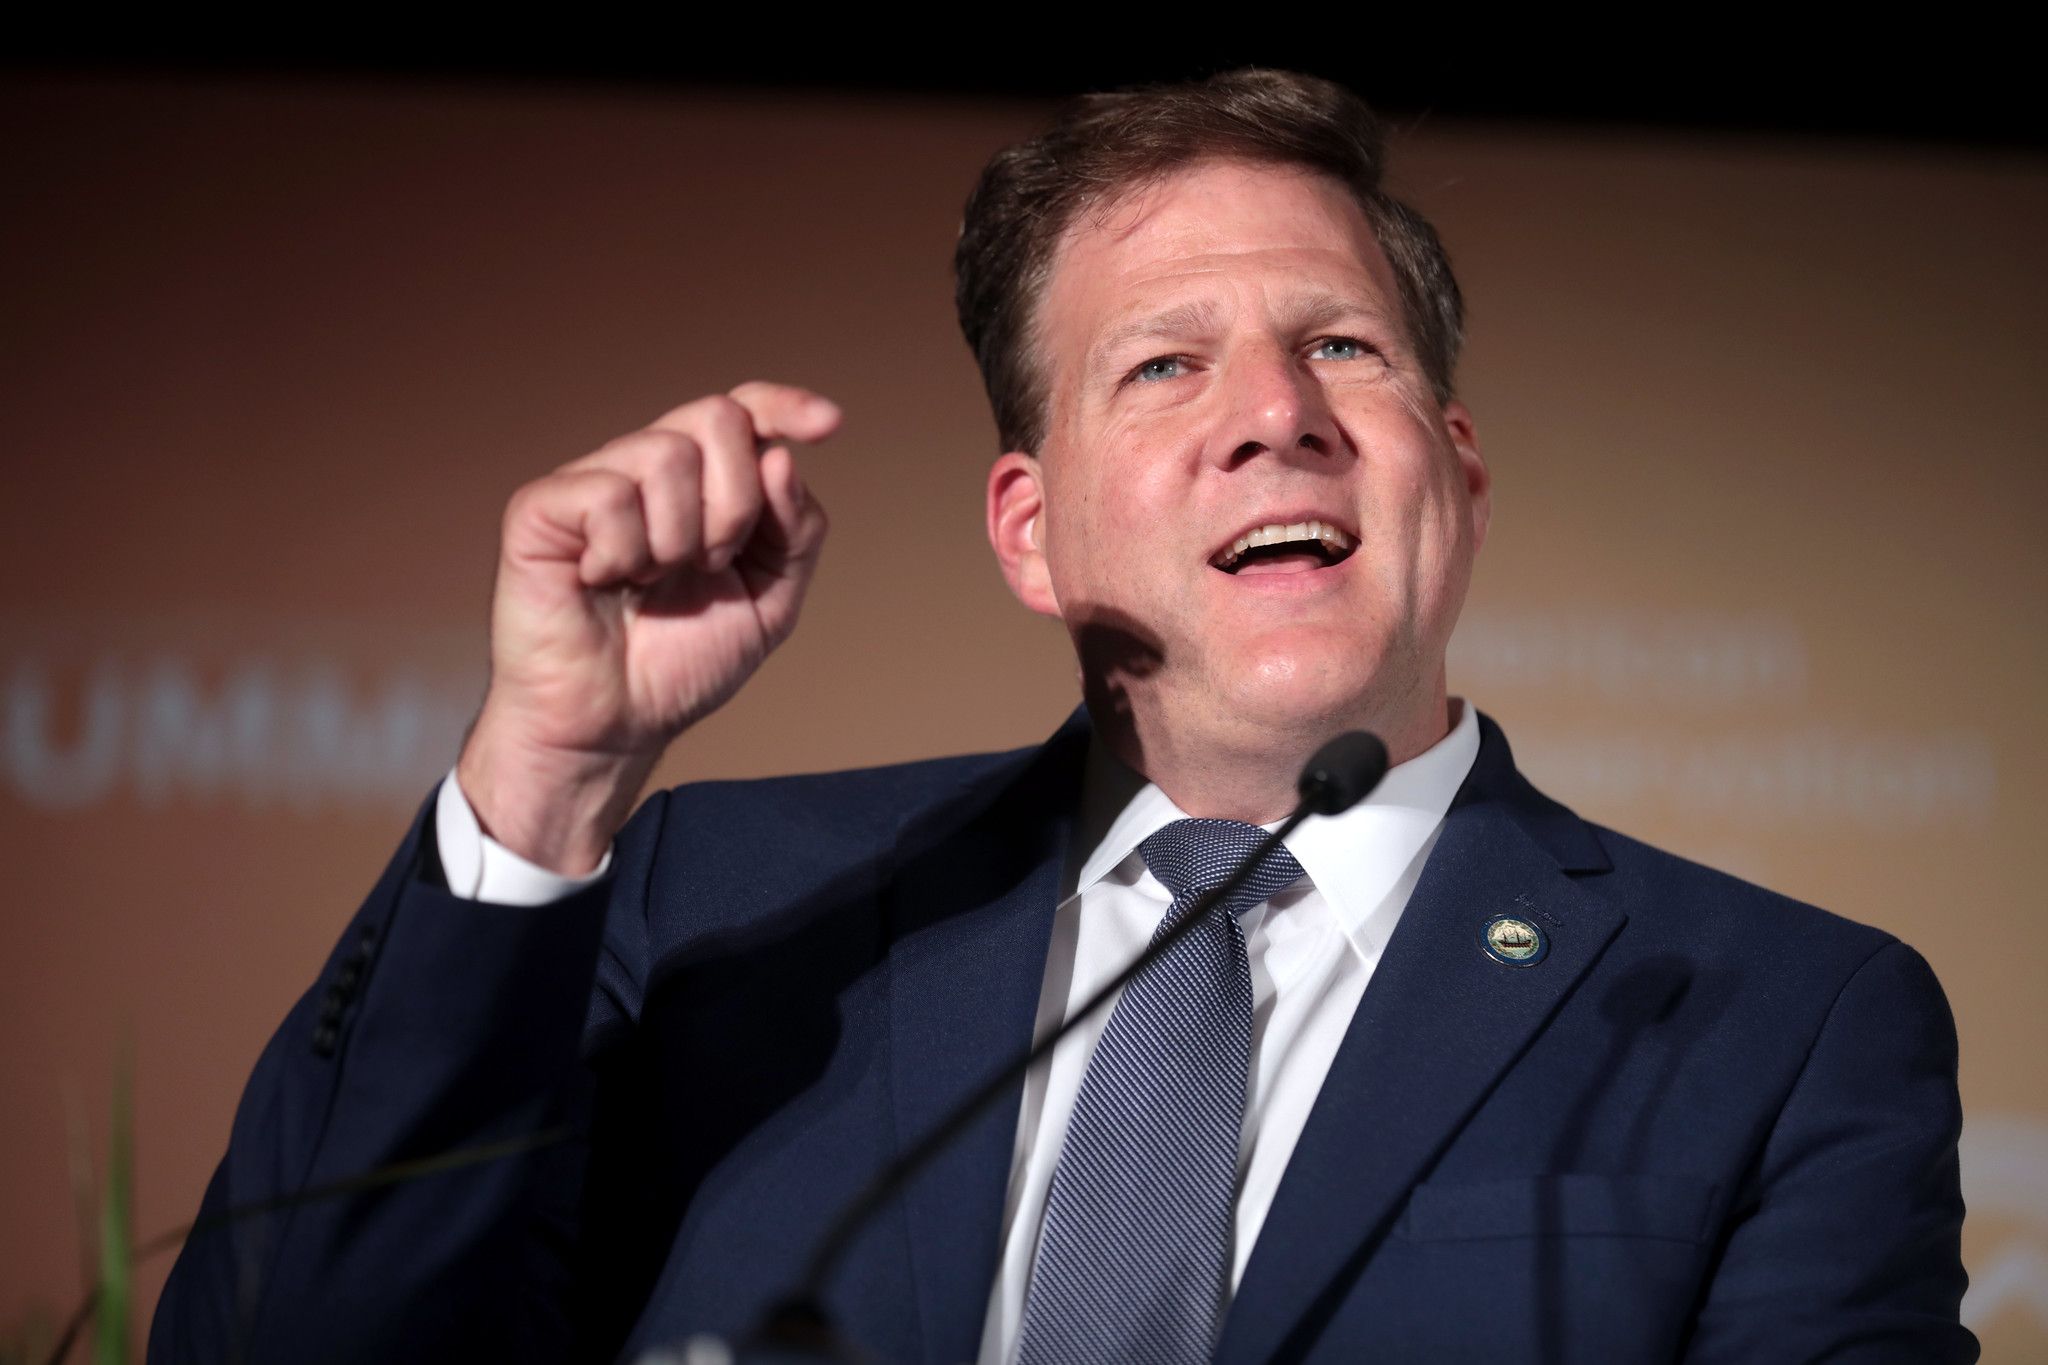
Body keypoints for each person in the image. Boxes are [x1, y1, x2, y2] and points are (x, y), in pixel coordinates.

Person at [150, 69, 1974, 1363]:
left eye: (1343, 345)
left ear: (1459, 475)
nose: (1277, 413)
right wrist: (545, 783)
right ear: (1032, 529)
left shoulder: (1782, 1017)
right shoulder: (721, 907)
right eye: (1166, 364)